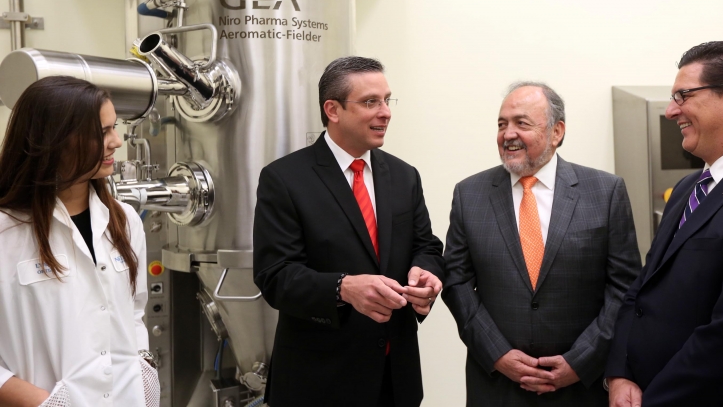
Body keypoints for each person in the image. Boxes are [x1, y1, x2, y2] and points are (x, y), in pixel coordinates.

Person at [606, 42, 723, 407]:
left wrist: (654, 401)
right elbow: (643, 288)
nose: (670, 111)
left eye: (683, 95)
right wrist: (620, 373)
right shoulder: (688, 187)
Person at [253, 56, 445, 407]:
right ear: (333, 110)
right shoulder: (284, 179)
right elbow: (275, 276)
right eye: (371, 102)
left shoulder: (405, 176)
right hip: (319, 383)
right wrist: (342, 287)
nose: (385, 112)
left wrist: (426, 273)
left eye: (387, 100)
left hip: (395, 380)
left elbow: (426, 245)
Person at [442, 82, 641, 406]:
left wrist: (580, 361)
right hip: (497, 387)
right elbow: (456, 281)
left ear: (556, 131)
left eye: (521, 123)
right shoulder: (470, 194)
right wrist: (498, 354)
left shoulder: (605, 192)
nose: (508, 134)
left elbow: (625, 287)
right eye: (502, 124)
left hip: (581, 388)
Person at [0, 76, 158, 406]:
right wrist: (43, 402)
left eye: (115, 128)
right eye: (102, 132)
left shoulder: (125, 221)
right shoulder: (6, 231)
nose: (116, 142)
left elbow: (133, 312)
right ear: (55, 140)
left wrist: (143, 369)